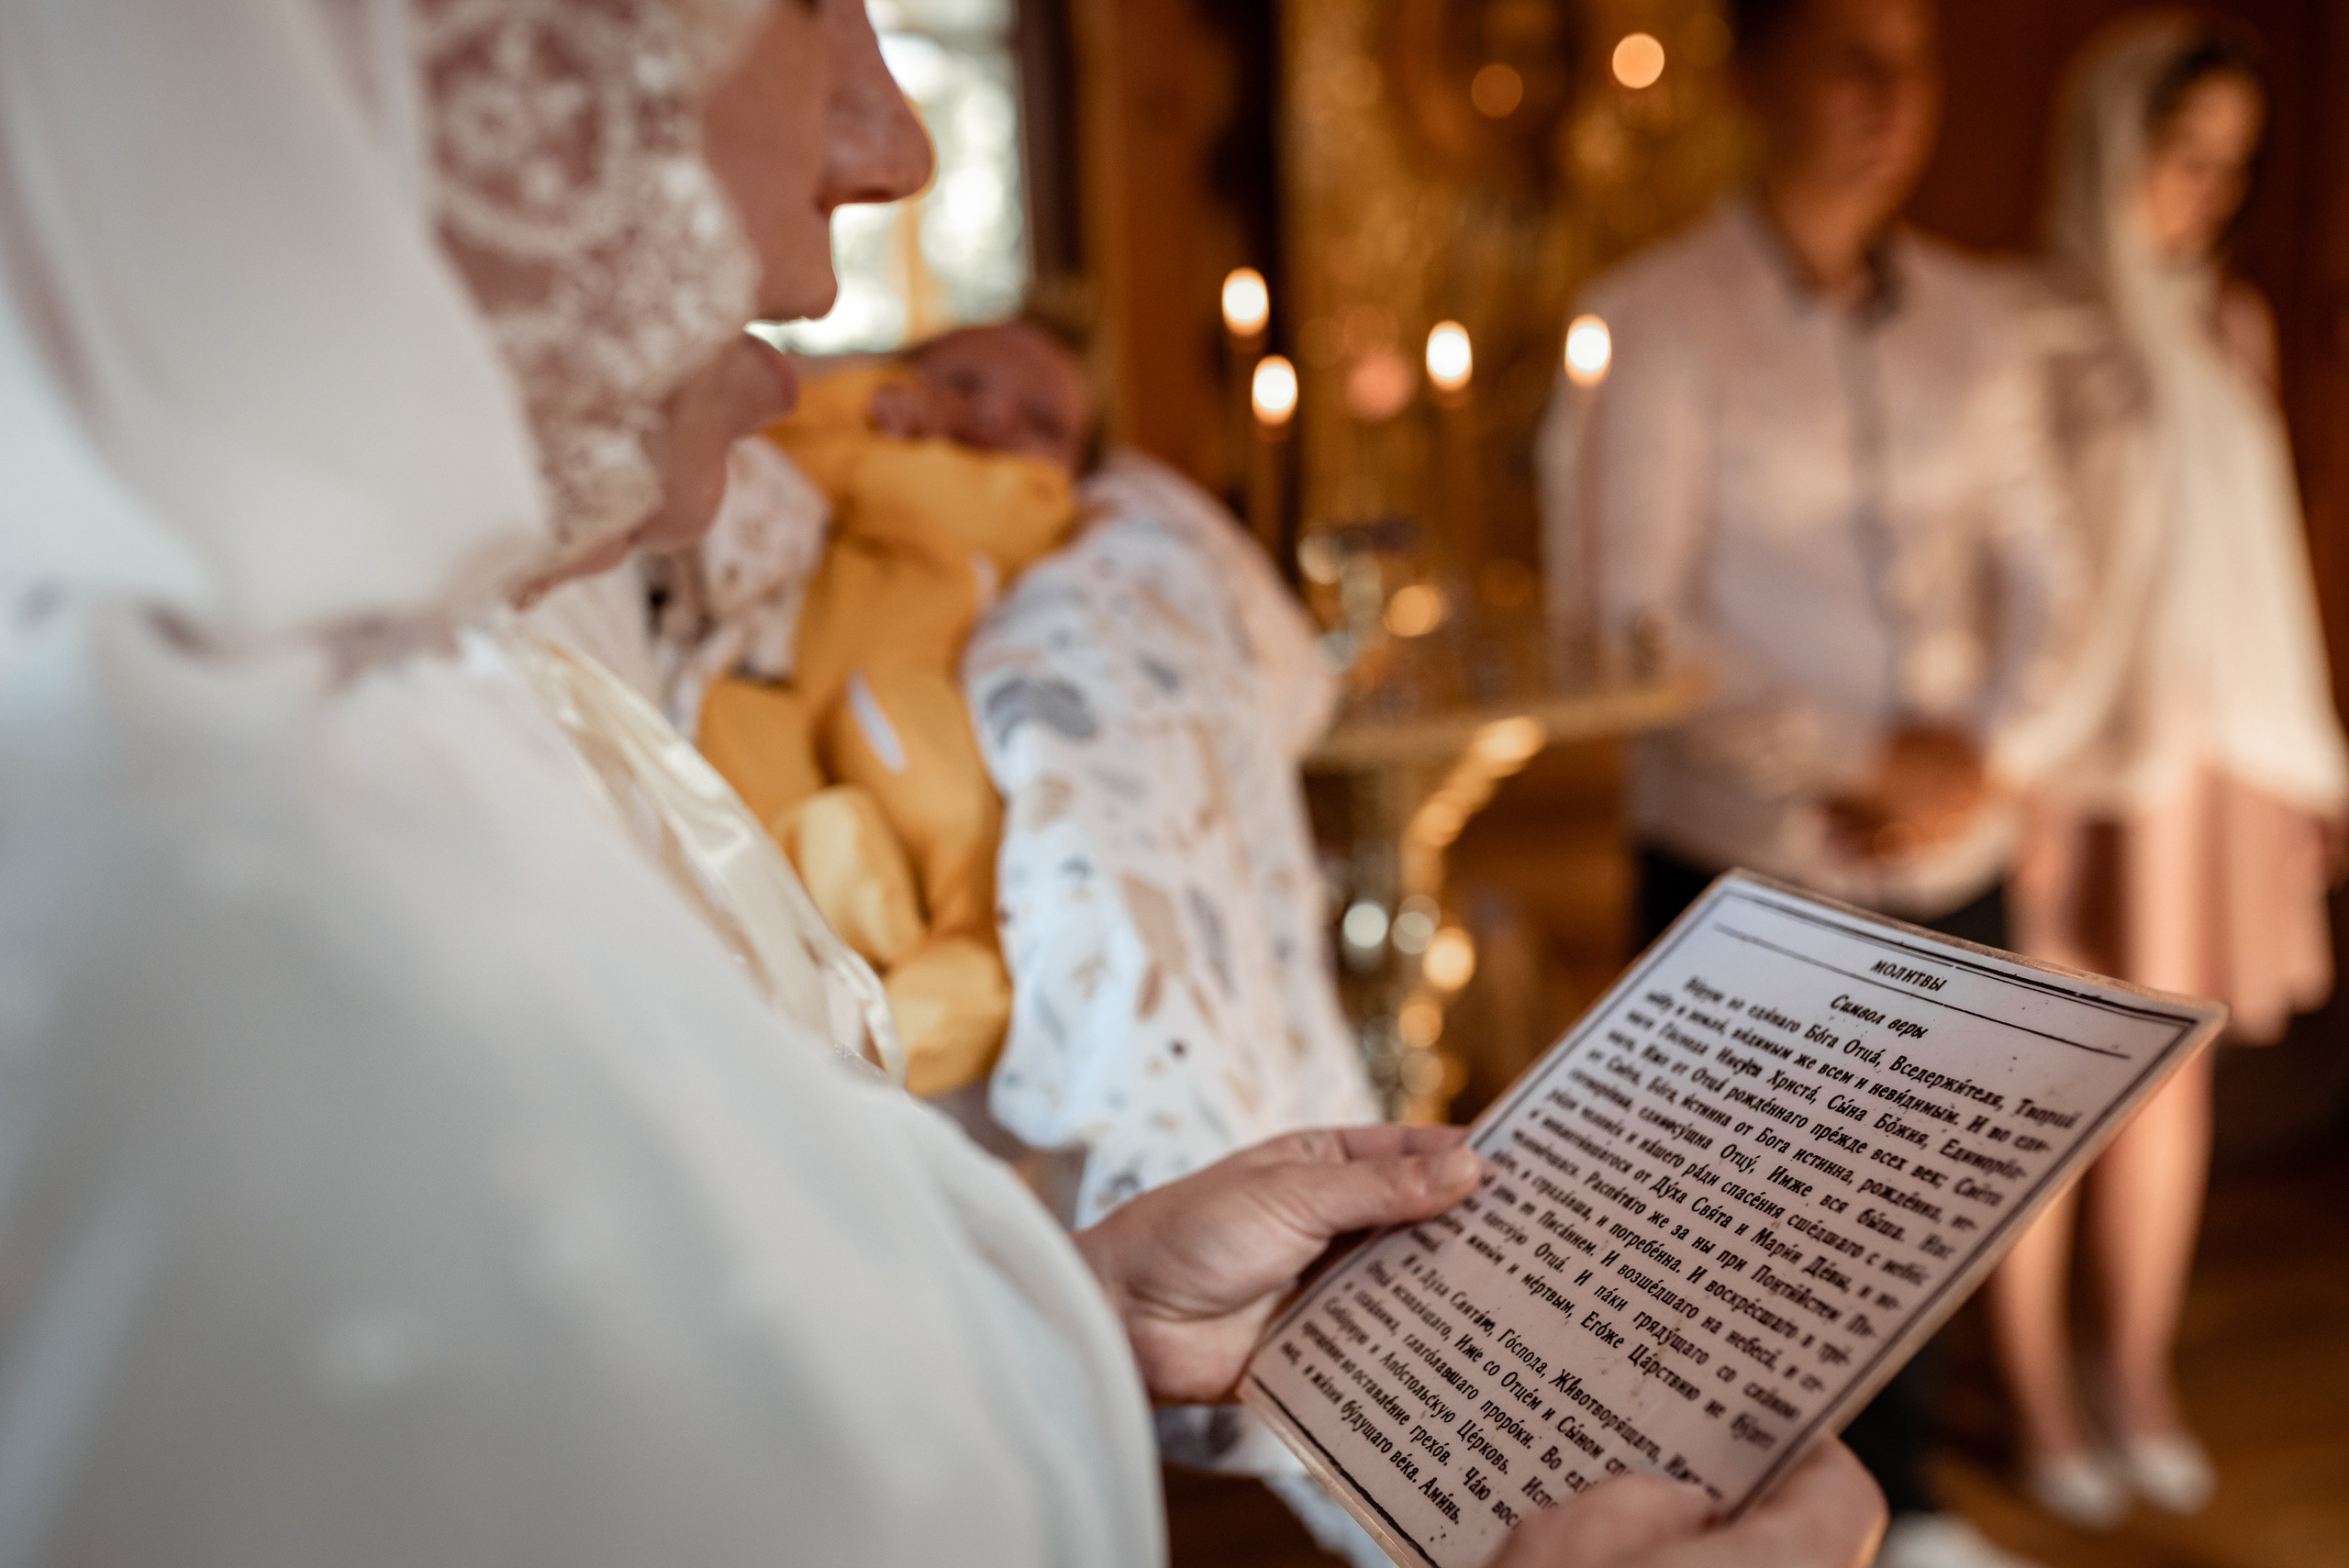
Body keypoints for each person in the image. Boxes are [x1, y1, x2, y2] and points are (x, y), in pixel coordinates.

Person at [0, 0, 1890, 1563]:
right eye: (807, 2)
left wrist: (1074, 1310)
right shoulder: (257, 915)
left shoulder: (409, 678)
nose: (891, 144)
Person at [1536, 2, 2075, 1565]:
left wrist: (1984, 748)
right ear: (1749, 73)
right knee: (1752, 1240)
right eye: (1850, 51)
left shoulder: (1986, 319)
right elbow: (1632, 616)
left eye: (1914, 57)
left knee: (1934, 1201)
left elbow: (2051, 566)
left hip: (1959, 836)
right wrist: (1859, 755)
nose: (1890, 97)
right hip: (1750, 853)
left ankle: (1909, 1509)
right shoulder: (1656, 318)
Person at [1987, 14, 2349, 1530]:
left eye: (2227, 169)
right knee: (2040, 1089)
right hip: (2069, 758)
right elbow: (2016, 573)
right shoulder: (2021, 325)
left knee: (2171, 1077)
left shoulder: (2231, 325)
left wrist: (2310, 762)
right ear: (2108, 144)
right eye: (2178, 158)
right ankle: (2038, 1396)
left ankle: (2135, 1370)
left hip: (2212, 759)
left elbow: (2256, 564)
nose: (2199, 195)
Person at [691, 321, 1096, 1095]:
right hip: (782, 696)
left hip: (910, 702)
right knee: (735, 756)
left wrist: (882, 445)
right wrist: (858, 402)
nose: (991, 419)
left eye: (1042, 422)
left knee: (980, 920)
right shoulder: (836, 456)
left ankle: (874, 1057)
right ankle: (834, 917)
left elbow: (906, 497)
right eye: (960, 385)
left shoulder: (1032, 502)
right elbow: (771, 444)